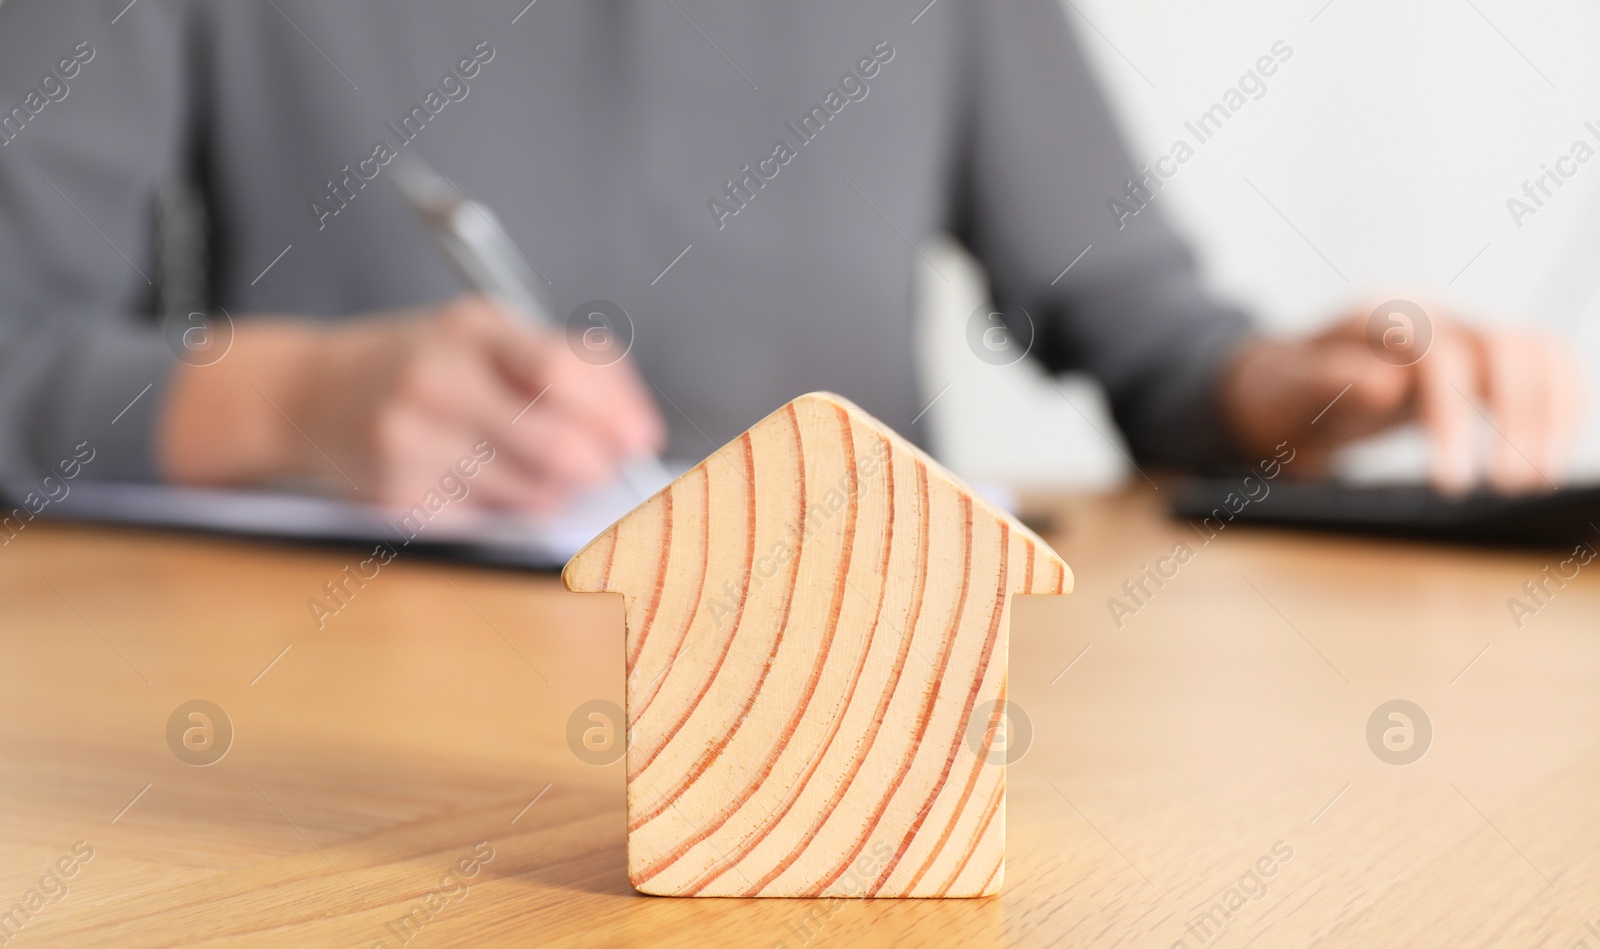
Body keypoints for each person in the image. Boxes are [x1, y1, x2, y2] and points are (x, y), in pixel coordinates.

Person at [0, 0, 1582, 514]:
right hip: (321, 735)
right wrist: (279, 406)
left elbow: (1156, 347)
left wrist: (1298, 391)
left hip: (869, 697)